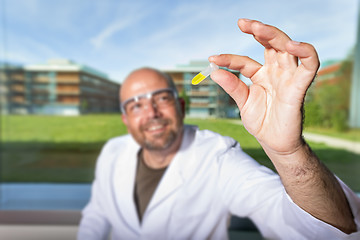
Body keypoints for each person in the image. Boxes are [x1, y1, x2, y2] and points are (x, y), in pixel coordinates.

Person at [78, 19, 360, 239]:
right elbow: (97, 215)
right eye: (135, 105)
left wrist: (289, 153)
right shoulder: (112, 153)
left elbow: (319, 229)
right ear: (125, 119)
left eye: (161, 98)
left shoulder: (218, 157)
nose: (151, 113)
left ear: (181, 106)